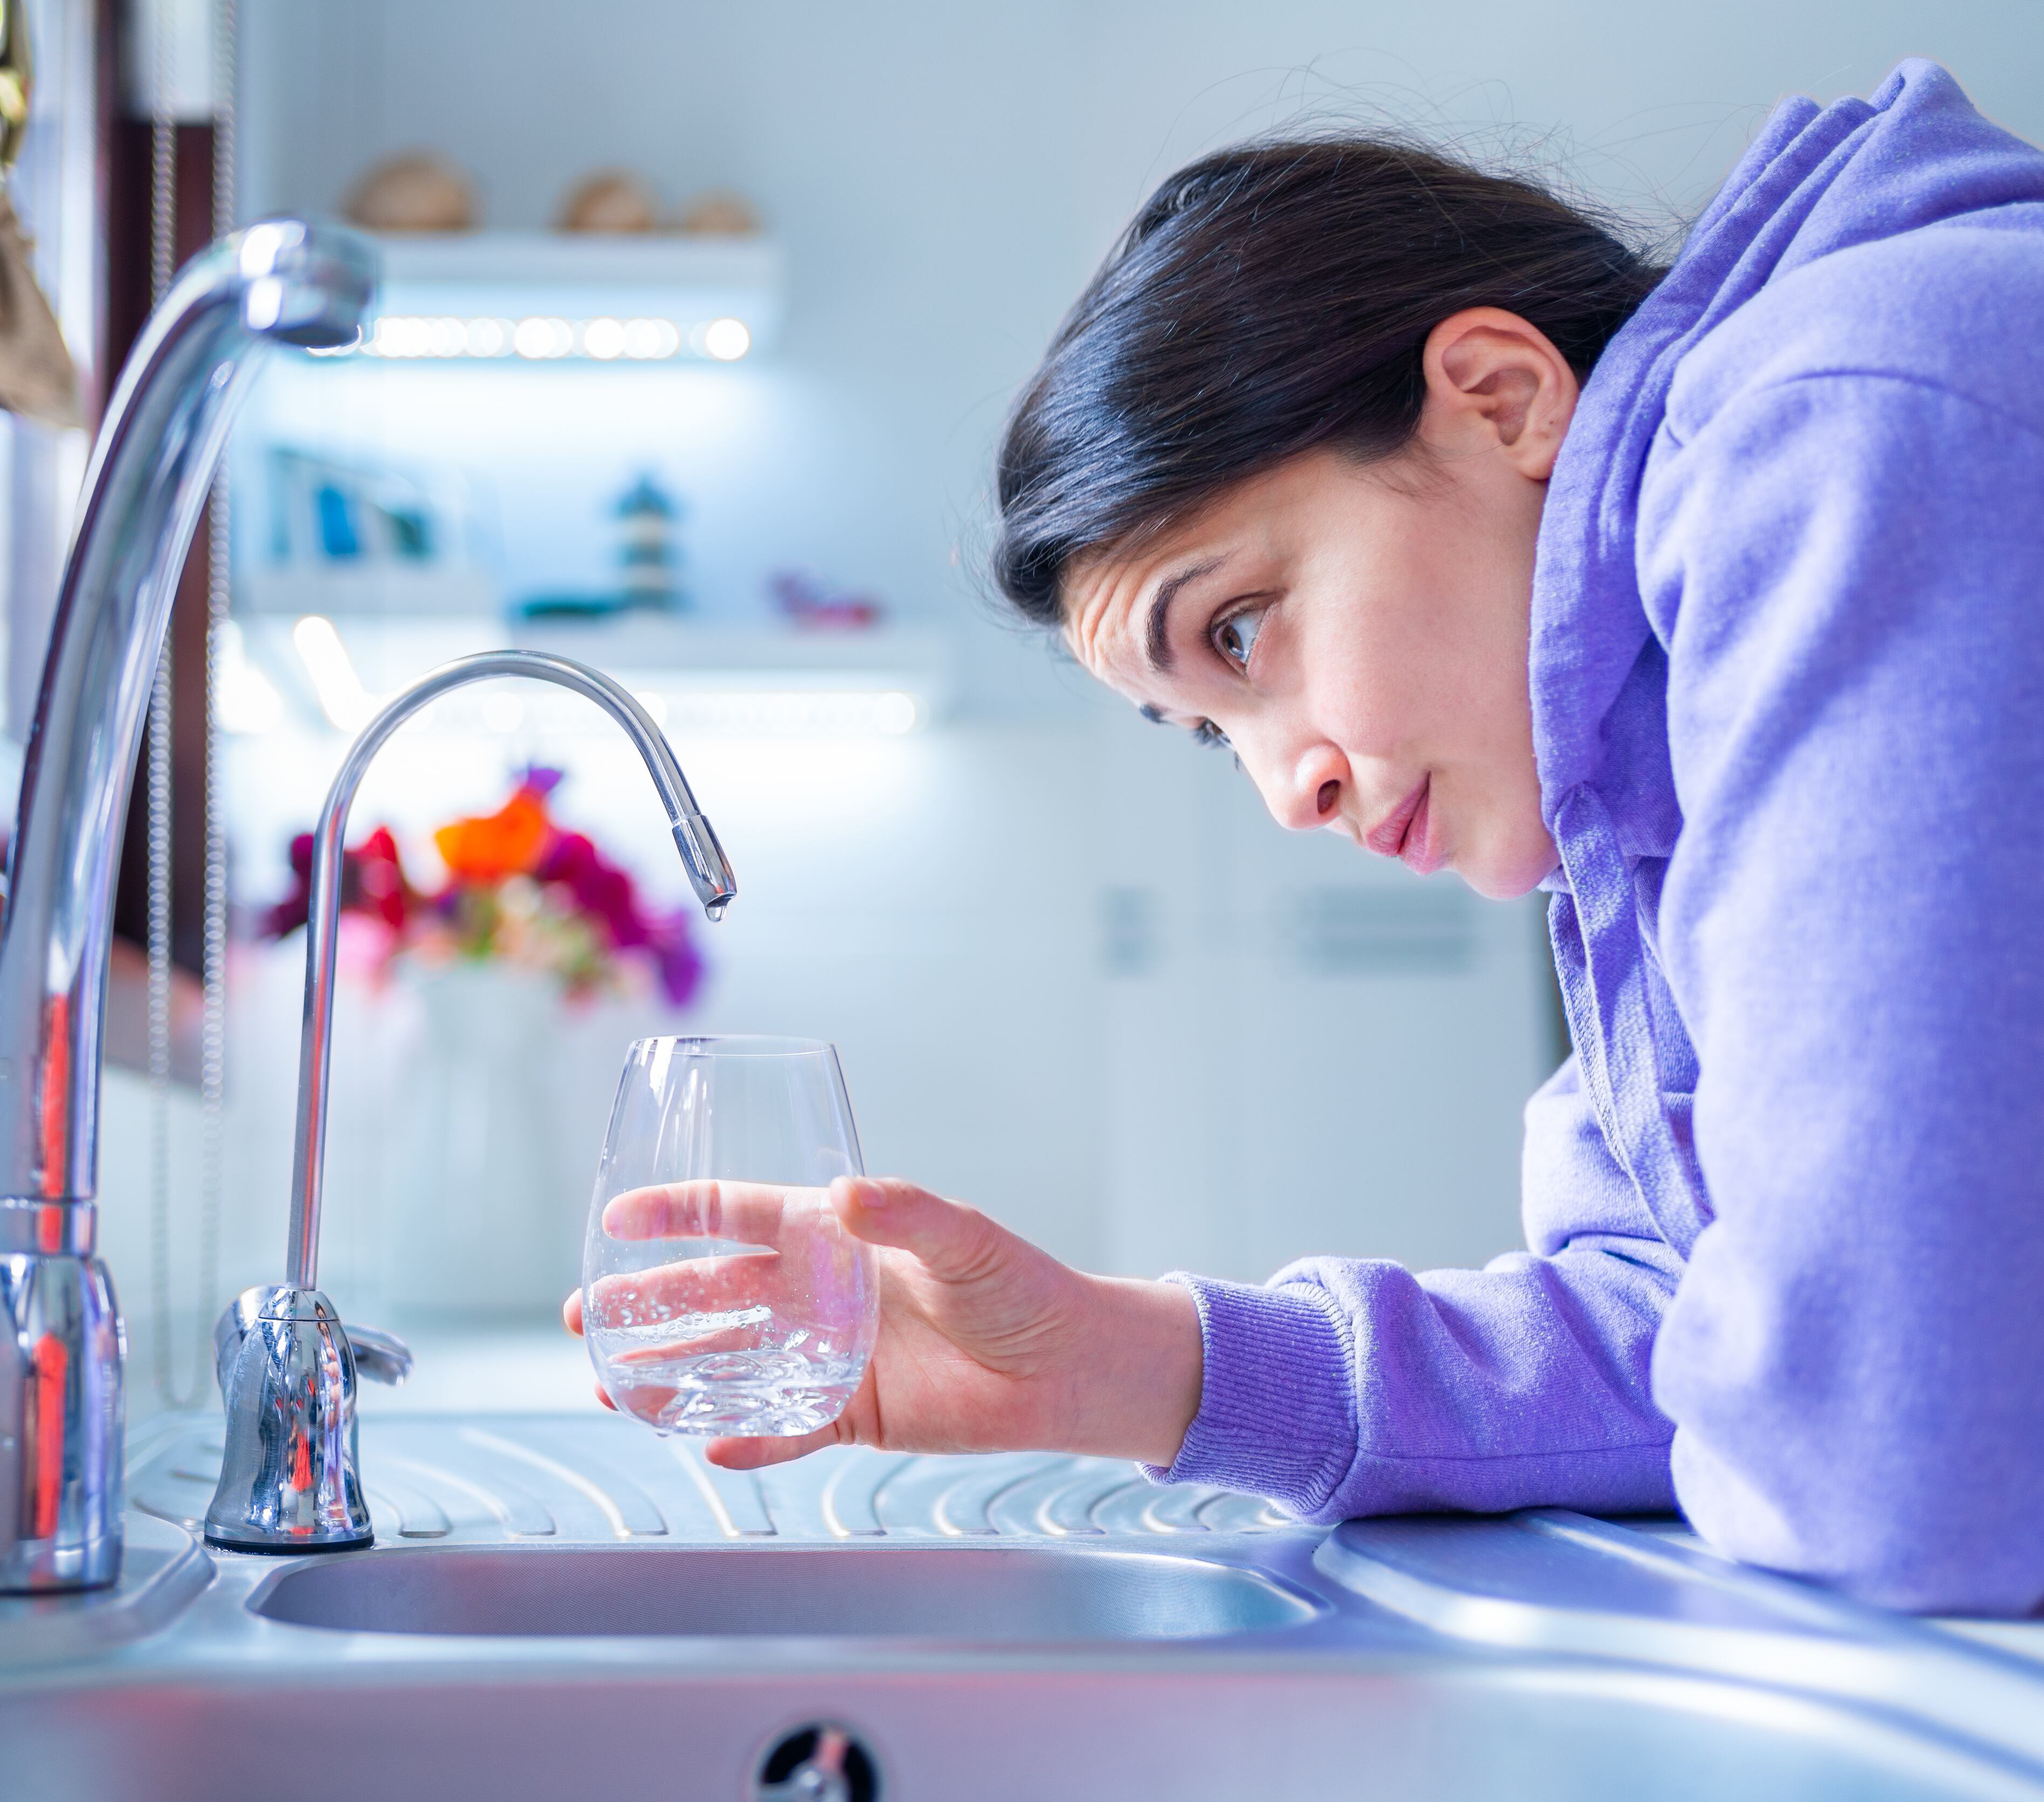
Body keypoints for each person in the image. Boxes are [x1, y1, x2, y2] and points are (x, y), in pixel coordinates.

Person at [567, 61, 2044, 1616]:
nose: (1289, 794)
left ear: (1500, 398)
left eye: (1245, 629)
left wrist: (1783, 1397)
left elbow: (1906, 1446)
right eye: (1211, 734)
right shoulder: (1649, 738)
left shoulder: (1853, 430)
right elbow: (1674, 1320)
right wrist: (1124, 1366)